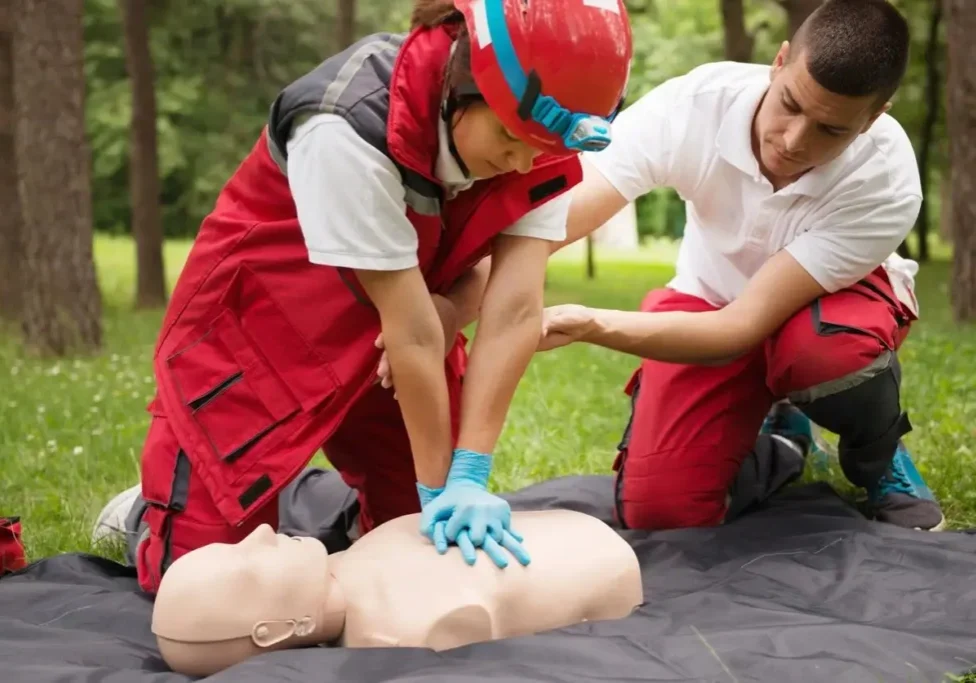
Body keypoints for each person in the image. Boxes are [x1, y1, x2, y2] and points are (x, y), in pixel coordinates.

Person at [93, 0, 634, 594]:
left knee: (415, 545)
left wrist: (468, 477)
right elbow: (415, 331)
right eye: (509, 137)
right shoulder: (343, 126)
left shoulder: (545, 129)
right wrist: (438, 493)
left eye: (541, 147)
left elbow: (514, 309)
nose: (523, 162)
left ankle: (346, 522)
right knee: (210, 588)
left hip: (395, 343)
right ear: (462, 80)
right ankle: (144, 520)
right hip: (262, 333)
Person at [537, 0, 945, 533]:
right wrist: (454, 289)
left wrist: (588, 323)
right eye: (791, 105)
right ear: (778, 62)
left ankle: (877, 454)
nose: (794, 141)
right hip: (712, 297)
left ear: (875, 116)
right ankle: (784, 441)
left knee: (824, 353)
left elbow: (742, 328)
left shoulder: (886, 180)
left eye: (831, 130)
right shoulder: (694, 104)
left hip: (826, 309)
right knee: (661, 511)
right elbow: (553, 223)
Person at [151, 511, 643, 676]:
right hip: (603, 571)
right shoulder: (399, 628)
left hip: (581, 542)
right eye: (249, 568)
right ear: (274, 630)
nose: (259, 532)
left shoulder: (350, 563)